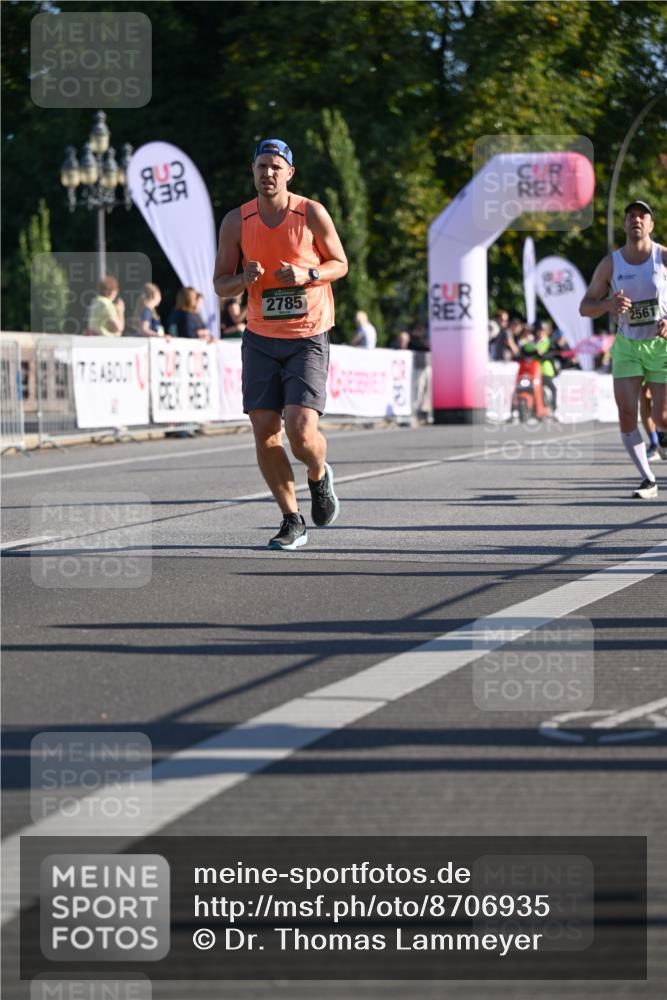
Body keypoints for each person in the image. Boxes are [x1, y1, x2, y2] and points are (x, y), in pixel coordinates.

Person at [213, 137, 348, 550]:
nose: (267, 173)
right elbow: (220, 285)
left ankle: (319, 474)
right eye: (261, 167)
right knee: (265, 431)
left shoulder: (311, 213)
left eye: (275, 166)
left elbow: (339, 264)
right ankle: (292, 519)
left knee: (302, 433)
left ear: (290, 172)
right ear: (252, 172)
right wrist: (243, 280)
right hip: (259, 339)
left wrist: (307, 275)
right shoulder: (237, 221)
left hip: (307, 335)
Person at [580, 200, 667, 497]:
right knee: (627, 413)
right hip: (627, 345)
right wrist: (608, 304)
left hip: (662, 345)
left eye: (642, 216)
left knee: (663, 415)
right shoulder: (611, 263)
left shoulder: (663, 258)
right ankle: (648, 480)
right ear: (625, 224)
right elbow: (585, 306)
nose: (636, 220)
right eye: (631, 216)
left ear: (651, 225)